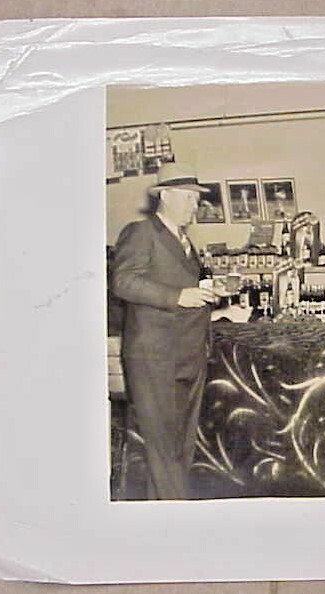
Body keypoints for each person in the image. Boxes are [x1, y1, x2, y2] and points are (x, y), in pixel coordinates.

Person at [110, 162, 216, 500]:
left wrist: (214, 305)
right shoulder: (141, 232)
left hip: (187, 357)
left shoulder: (184, 241)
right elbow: (123, 281)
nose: (195, 205)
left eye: (197, 198)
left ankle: (164, 514)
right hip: (155, 359)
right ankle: (177, 519)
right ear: (166, 196)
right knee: (164, 452)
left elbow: (185, 294)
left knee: (180, 449)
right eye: (188, 197)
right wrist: (178, 296)